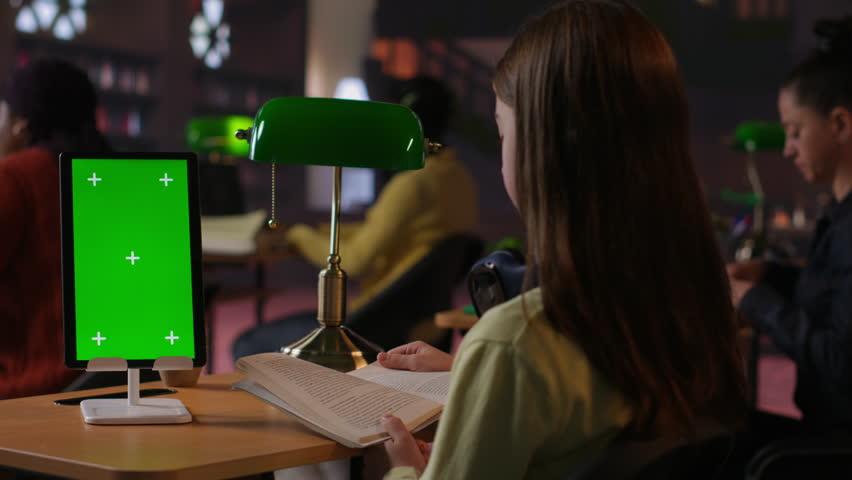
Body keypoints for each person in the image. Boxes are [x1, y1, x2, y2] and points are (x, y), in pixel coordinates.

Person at [375, 1, 748, 478]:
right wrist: (469, 377)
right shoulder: (695, 305)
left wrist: (406, 470)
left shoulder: (516, 342)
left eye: (502, 132)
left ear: (541, 149)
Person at [232, 76, 479, 360]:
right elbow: (387, 231)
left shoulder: (414, 184)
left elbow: (354, 260)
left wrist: (297, 235)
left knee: (249, 343)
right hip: (418, 316)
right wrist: (322, 229)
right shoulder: (458, 177)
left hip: (376, 320)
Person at [728, 17, 852, 431]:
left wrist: (754, 301)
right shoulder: (839, 215)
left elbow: (840, 362)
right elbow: (832, 297)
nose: (787, 150)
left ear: (840, 124)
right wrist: (769, 276)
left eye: (795, 131)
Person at [0, 59, 110, 399]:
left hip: (29, 390)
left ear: (20, 125)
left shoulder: (16, 176)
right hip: (114, 382)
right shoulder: (110, 177)